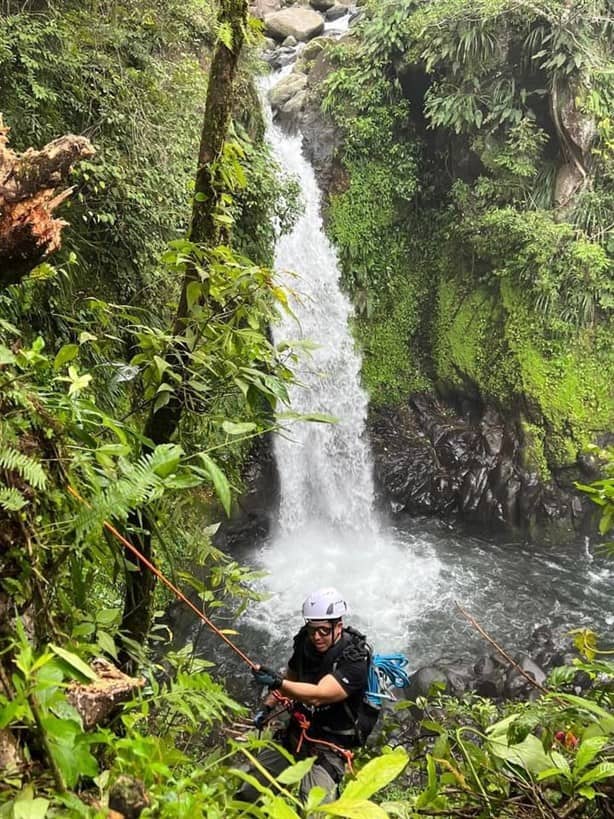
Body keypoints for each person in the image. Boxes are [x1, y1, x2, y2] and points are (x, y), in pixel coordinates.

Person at [236, 587, 377, 805]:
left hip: (330, 746)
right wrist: (267, 707)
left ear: (337, 627)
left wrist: (277, 681)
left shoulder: (354, 658)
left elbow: (319, 695)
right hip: (297, 734)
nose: (316, 637)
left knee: (314, 809)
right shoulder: (305, 643)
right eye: (312, 630)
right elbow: (290, 680)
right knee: (248, 792)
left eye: (323, 631)